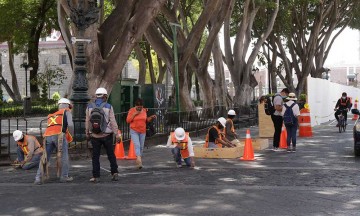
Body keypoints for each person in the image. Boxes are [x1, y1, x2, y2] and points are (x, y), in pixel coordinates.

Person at [34, 98, 74, 184]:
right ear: (68, 105)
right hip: (59, 136)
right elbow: (70, 125)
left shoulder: (52, 115)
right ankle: (64, 176)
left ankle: (38, 178)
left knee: (45, 157)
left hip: (48, 137)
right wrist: (71, 136)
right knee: (64, 156)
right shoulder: (67, 112)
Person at [85, 87, 120, 183]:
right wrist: (117, 134)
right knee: (111, 155)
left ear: (96, 96)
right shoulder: (108, 106)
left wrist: (87, 133)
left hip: (94, 136)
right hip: (107, 135)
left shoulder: (89, 107)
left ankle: (96, 176)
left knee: (95, 156)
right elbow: (113, 121)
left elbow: (87, 121)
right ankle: (114, 173)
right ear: (105, 96)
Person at [126, 98, 156, 169]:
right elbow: (128, 120)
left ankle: (139, 159)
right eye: (138, 107)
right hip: (134, 130)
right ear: (135, 106)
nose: (139, 108)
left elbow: (146, 120)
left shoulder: (144, 110)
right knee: (137, 145)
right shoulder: (131, 110)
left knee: (141, 146)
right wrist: (134, 114)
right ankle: (139, 160)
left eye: (141, 107)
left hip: (143, 131)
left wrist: (151, 117)